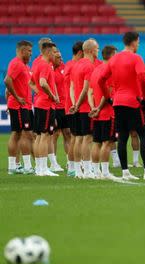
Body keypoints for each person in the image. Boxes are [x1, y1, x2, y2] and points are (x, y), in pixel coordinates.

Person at [99, 31, 145, 180]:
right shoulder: (136, 58)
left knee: (122, 137)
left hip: (118, 102)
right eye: (138, 42)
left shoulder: (114, 59)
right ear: (134, 42)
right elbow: (142, 76)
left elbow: (101, 79)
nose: (139, 45)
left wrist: (109, 97)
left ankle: (125, 172)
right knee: (143, 134)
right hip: (134, 102)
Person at [88, 45, 120, 181]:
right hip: (107, 112)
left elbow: (90, 92)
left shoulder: (96, 70)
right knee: (107, 142)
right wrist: (99, 108)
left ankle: (96, 172)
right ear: (112, 55)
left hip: (96, 113)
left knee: (96, 142)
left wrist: (93, 108)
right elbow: (107, 95)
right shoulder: (110, 71)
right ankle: (105, 172)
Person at [30, 42, 60, 176]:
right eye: (54, 52)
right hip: (46, 104)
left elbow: (31, 82)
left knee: (38, 136)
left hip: (39, 103)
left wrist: (38, 93)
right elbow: (42, 82)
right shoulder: (45, 66)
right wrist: (51, 95)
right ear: (48, 52)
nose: (55, 54)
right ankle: (42, 169)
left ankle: (38, 167)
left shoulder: (37, 64)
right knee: (45, 135)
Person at [70, 39, 98, 178]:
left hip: (78, 108)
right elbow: (87, 88)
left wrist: (75, 104)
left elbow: (73, 87)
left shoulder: (76, 65)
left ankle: (77, 171)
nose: (97, 51)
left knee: (78, 139)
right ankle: (87, 170)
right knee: (87, 139)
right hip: (86, 108)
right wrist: (79, 104)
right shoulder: (89, 66)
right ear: (91, 50)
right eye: (97, 49)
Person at [5, 40, 34, 175]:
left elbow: (8, 89)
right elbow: (7, 80)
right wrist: (16, 98)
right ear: (22, 51)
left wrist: (9, 101)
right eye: (29, 51)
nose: (31, 53)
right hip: (20, 105)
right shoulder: (16, 64)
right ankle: (27, 166)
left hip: (22, 105)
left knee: (18, 133)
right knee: (24, 134)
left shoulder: (23, 66)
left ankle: (14, 166)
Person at [64, 41, 84, 176]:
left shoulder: (68, 65)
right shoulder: (75, 66)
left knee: (74, 137)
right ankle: (72, 167)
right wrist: (75, 104)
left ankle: (73, 165)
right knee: (76, 138)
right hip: (75, 106)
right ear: (81, 52)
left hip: (71, 105)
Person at [49, 49, 68, 172]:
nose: (60, 59)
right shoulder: (49, 69)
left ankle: (69, 162)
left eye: (61, 57)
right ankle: (53, 163)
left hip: (65, 106)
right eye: (58, 57)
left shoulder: (64, 67)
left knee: (68, 134)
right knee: (54, 135)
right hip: (55, 106)